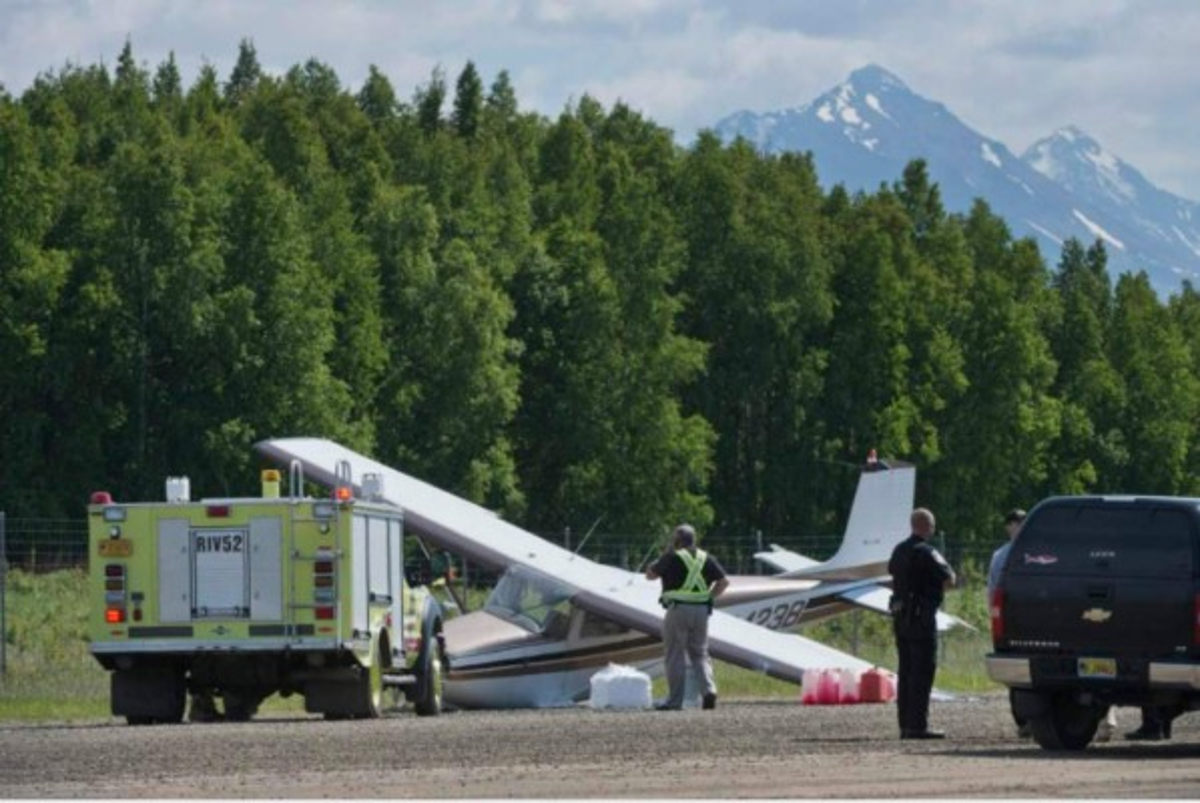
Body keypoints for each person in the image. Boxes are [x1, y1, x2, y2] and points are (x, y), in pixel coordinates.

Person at [645, 523, 729, 711]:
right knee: (700, 653)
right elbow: (723, 582)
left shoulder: (671, 556)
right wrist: (708, 597)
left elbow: (650, 575)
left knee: (675, 654)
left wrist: (663, 555)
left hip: (678, 610)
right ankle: (709, 690)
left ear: (677, 540)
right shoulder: (706, 557)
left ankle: (675, 701)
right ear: (694, 539)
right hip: (701, 611)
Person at [888, 507, 956, 739]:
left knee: (906, 672)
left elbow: (893, 576)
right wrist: (932, 591)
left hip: (901, 618)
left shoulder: (898, 550)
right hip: (921, 620)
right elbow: (950, 578)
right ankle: (917, 726)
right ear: (928, 527)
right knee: (922, 672)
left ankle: (905, 725)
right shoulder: (928, 552)